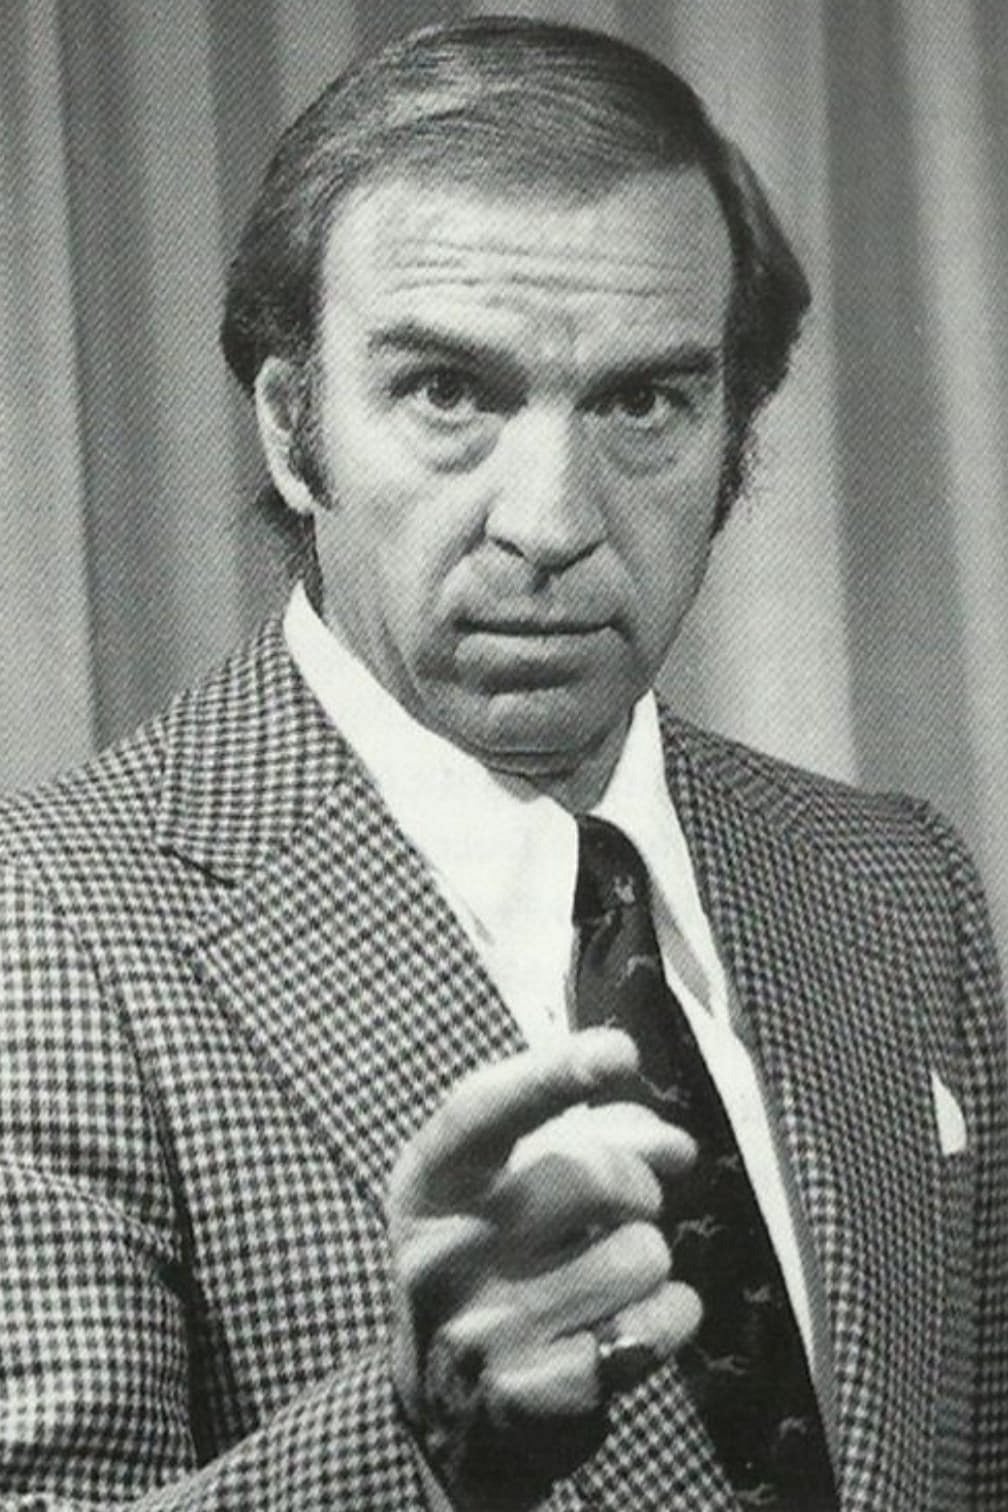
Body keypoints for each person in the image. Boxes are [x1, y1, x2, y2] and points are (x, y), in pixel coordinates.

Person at [1, 16, 1005, 1512]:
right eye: (449, 394)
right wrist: (416, 1446)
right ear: (291, 429)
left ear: (733, 438)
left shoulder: (896, 884)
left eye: (642, 403)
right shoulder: (47, 924)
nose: (550, 522)